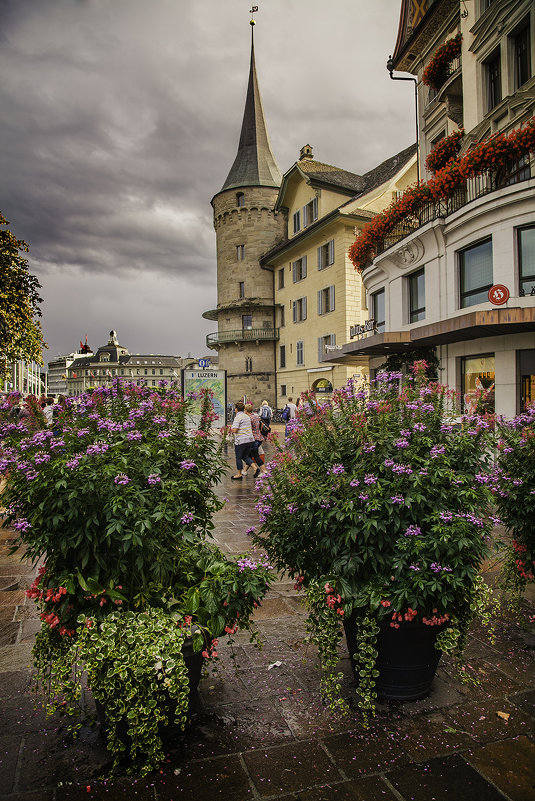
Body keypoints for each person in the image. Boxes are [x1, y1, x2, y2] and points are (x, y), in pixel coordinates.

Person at [230, 401, 254, 480]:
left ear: (236, 409)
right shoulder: (247, 416)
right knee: (245, 456)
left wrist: (231, 429)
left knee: (238, 457)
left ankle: (239, 474)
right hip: (249, 440)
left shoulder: (238, 417)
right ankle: (255, 468)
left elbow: (235, 430)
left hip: (241, 440)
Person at [245, 403, 267, 478]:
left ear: (245, 410)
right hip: (259, 438)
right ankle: (244, 471)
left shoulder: (249, 418)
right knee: (249, 455)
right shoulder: (256, 416)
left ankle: (264, 471)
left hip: (254, 439)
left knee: (255, 456)